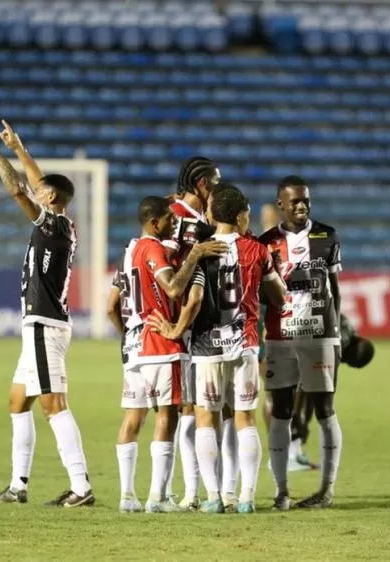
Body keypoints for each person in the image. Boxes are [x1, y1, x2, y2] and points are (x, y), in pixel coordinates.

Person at [0, 119, 93, 508]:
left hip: (44, 324)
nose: (36, 190)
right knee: (17, 401)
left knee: (53, 404)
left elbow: (17, 189)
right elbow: (36, 183)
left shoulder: (54, 224)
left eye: (43, 190)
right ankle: (18, 486)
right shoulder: (60, 221)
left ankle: (81, 486)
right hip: (39, 325)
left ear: (52, 197)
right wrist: (19, 148)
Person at [152, 185, 287, 514]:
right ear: (241, 216)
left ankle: (212, 496)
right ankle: (246, 498)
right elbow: (280, 297)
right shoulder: (257, 250)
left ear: (212, 215)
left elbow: (194, 299)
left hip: (206, 346)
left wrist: (175, 329)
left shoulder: (202, 252)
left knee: (205, 418)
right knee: (244, 418)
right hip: (246, 344)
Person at [106, 197, 226, 513]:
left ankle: (128, 496)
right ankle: (157, 498)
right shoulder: (153, 249)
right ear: (155, 222)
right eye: (169, 221)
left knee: (133, 418)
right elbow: (173, 288)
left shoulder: (130, 252)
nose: (174, 226)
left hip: (137, 344)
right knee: (168, 416)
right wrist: (197, 253)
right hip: (162, 344)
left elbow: (110, 305)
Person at [259, 175, 344, 510]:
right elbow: (261, 296)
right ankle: (281, 491)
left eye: (305, 200)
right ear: (281, 203)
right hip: (280, 339)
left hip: (321, 336)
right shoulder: (265, 242)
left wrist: (337, 332)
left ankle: (326, 490)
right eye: (294, 201)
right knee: (280, 413)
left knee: (325, 410)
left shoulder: (327, 236)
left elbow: (335, 289)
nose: (301, 205)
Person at [162, 156, 227, 511]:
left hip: (194, 324)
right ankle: (186, 493)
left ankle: (190, 493)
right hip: (179, 326)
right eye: (215, 181)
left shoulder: (199, 220)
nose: (220, 186)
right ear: (202, 184)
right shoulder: (177, 217)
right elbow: (167, 271)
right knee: (183, 410)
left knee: (192, 410)